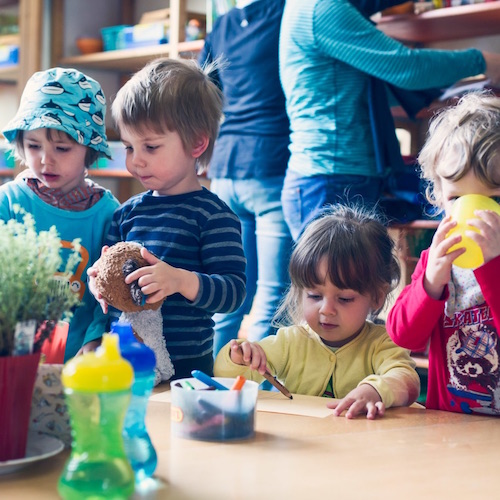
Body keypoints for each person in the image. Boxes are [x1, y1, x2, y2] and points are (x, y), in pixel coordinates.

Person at [279, 0, 500, 240]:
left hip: (331, 177)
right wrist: (482, 61)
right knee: (339, 277)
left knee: (352, 276)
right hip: (332, 180)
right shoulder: (322, 8)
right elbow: (405, 67)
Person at [88, 58, 247, 380]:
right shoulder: (126, 213)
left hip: (187, 365)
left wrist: (179, 280)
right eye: (130, 147)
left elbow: (233, 292)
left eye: (151, 146)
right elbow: (102, 268)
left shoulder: (213, 216)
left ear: (196, 143)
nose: (137, 161)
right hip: (125, 355)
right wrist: (98, 281)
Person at [215, 204, 420, 419]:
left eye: (344, 299)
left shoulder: (383, 343)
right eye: (314, 296)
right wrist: (237, 359)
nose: (327, 310)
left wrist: (376, 390)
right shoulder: (290, 342)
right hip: (304, 446)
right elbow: (226, 377)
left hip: (359, 446)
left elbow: (407, 380)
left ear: (377, 296)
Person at [387, 92, 500, 416]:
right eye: (458, 198)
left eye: (494, 200)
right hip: (449, 424)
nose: (477, 214)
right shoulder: (438, 260)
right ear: (438, 195)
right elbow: (404, 336)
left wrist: (493, 266)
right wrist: (430, 284)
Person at [0, 67, 119, 360]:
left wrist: (93, 345)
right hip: (11, 359)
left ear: (89, 149)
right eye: (33, 145)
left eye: (62, 148)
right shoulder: (8, 201)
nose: (44, 160)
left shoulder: (108, 213)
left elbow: (109, 295)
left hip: (78, 363)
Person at [198, 0, 293, 356]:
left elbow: (203, 92)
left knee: (232, 291)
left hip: (224, 169)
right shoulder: (288, 13)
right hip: (269, 165)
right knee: (272, 293)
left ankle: (208, 383)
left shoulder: (220, 26)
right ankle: (263, 395)